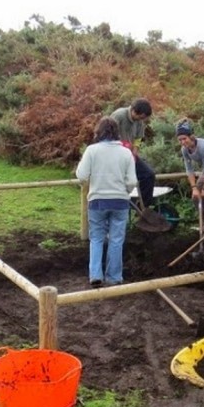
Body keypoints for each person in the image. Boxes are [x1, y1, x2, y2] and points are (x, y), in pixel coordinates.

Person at [76, 116, 137, 287]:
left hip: (97, 201)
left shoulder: (91, 151)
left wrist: (90, 184)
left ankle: (95, 275)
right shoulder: (126, 153)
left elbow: (81, 175)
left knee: (96, 238)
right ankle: (114, 277)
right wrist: (124, 191)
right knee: (116, 240)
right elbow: (132, 181)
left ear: (99, 132)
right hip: (120, 202)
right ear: (117, 132)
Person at [110, 98, 156, 209]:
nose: (141, 120)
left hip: (129, 154)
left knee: (148, 175)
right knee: (119, 182)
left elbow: (138, 138)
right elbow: (108, 134)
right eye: (141, 117)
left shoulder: (139, 121)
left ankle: (143, 208)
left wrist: (135, 150)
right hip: (114, 155)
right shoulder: (118, 116)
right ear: (134, 111)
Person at [176, 118, 204, 233]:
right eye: (180, 140)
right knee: (195, 197)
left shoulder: (202, 146)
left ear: (191, 137)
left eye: (184, 139)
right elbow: (189, 169)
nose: (183, 142)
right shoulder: (184, 150)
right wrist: (194, 188)